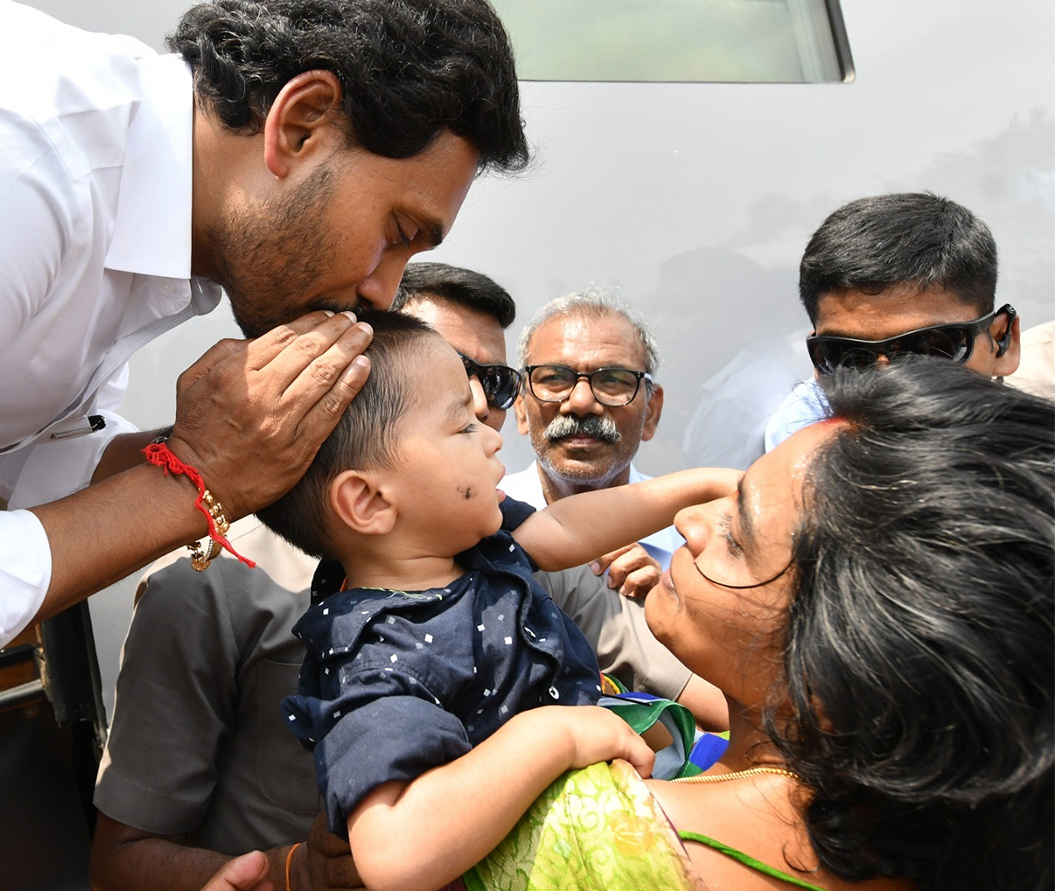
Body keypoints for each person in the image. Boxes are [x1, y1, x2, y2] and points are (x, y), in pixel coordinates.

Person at [0, 0, 526, 886]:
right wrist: (195, 479)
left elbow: (42, 463)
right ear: (302, 122)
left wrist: (249, 463)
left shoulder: (166, 224)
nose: (382, 288)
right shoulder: (7, 170)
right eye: (397, 233)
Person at [91, 264, 700, 891]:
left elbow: (692, 689)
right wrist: (295, 871)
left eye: (496, 382)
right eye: (453, 382)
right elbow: (122, 860)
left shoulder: (512, 550)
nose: (485, 407)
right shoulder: (209, 589)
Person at [337, 358, 1053, 891]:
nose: (686, 523)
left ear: (847, 662)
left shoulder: (576, 836)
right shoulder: (975, 840)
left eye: (737, 536)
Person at [253, 310, 736, 866]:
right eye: (462, 426)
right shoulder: (382, 654)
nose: (491, 437)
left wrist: (701, 486)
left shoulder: (471, 542)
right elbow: (394, 852)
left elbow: (568, 528)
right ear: (370, 502)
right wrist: (560, 737)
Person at [501, 288, 727, 729]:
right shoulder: (477, 533)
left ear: (652, 412)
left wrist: (672, 615)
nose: (581, 402)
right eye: (554, 378)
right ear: (521, 408)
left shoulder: (712, 547)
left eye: (612, 380)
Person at [764, 192, 1022, 449]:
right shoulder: (796, 441)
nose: (885, 386)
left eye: (928, 349)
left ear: (1002, 342)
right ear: (819, 360)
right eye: (846, 355)